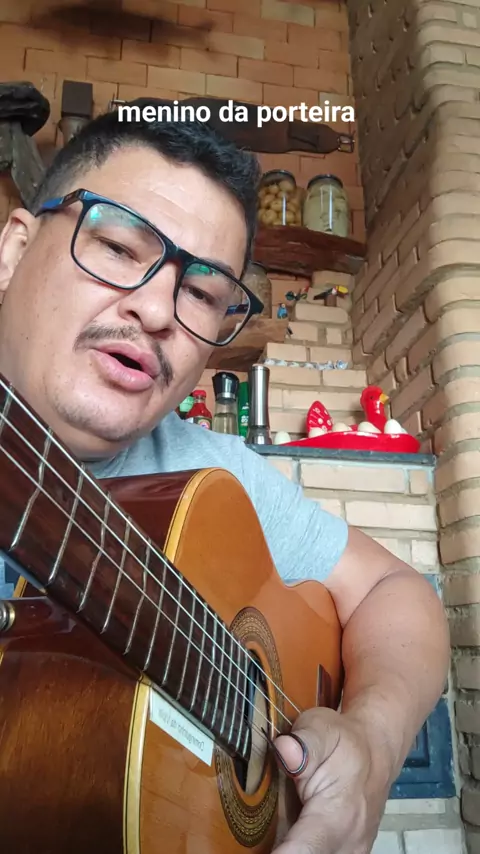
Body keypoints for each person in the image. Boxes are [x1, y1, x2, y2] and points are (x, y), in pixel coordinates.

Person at [0, 109, 449, 854]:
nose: (157, 311)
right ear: (13, 250)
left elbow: (395, 590)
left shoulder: (219, 475)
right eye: (118, 247)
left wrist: (371, 746)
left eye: (204, 294)